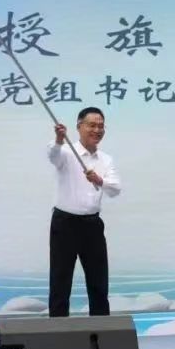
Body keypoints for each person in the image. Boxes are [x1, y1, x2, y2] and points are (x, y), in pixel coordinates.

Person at [47, 106, 122, 317]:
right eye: (92, 125)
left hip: (92, 225)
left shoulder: (106, 160)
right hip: (64, 223)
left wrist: (100, 180)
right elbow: (52, 155)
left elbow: (115, 188)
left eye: (101, 126)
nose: (97, 130)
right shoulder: (65, 151)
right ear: (79, 126)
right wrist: (59, 139)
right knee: (60, 281)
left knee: (98, 282)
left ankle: (101, 330)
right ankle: (58, 330)